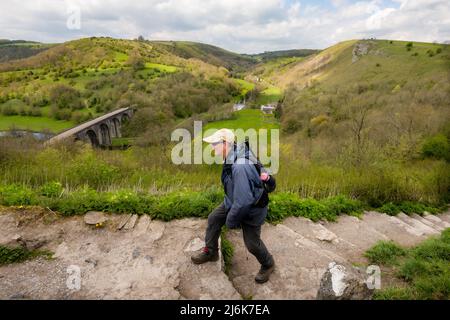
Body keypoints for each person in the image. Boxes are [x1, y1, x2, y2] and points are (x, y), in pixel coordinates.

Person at [191, 128, 275, 284]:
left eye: (214, 143)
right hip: (234, 200)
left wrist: (231, 221)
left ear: (225, 144)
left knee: (252, 244)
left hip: (252, 209)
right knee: (214, 219)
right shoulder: (232, 155)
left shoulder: (239, 166)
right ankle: (211, 252)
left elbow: (244, 202)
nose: (211, 147)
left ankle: (268, 264)